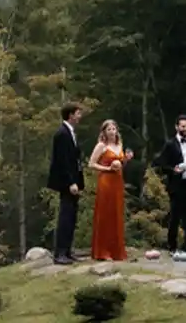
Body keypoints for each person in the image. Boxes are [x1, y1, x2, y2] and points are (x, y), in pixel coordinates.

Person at [155, 114, 186, 256]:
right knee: (175, 216)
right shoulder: (170, 144)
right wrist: (173, 170)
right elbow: (159, 163)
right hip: (177, 184)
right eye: (183, 126)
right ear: (177, 127)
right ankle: (172, 246)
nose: (185, 129)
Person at [89, 119, 133, 261]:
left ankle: (116, 250)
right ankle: (103, 251)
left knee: (116, 213)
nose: (112, 131)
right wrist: (108, 168)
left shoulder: (119, 145)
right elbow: (91, 164)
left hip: (118, 181)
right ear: (104, 132)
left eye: (114, 128)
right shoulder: (101, 146)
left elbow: (120, 164)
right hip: (106, 181)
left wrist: (126, 160)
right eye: (109, 129)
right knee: (105, 213)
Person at [46, 102, 84, 265]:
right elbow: (63, 161)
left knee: (72, 215)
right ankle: (59, 252)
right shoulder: (62, 134)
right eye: (78, 113)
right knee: (65, 216)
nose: (80, 116)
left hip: (74, 179)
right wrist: (70, 182)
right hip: (66, 182)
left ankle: (67, 250)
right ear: (70, 115)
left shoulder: (71, 133)